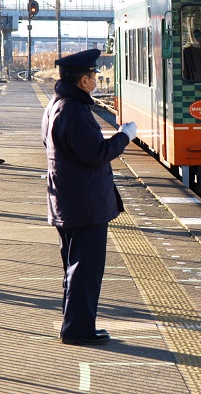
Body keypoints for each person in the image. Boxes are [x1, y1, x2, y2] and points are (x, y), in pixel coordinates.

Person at [41, 48, 137, 347]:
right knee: (85, 270)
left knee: (75, 267)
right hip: (83, 204)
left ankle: (76, 325)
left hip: (67, 200)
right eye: (94, 74)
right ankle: (78, 331)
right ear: (83, 80)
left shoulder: (56, 105)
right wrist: (124, 136)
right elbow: (96, 154)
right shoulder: (74, 109)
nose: (96, 78)